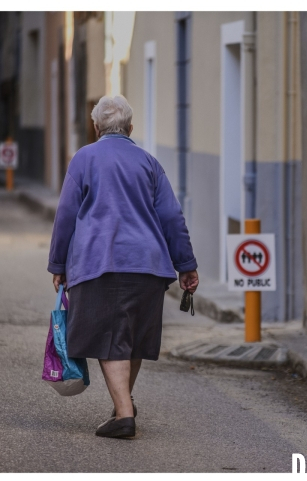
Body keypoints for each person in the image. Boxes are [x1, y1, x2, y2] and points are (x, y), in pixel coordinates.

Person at [47, 95, 199, 439]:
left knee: (108, 337)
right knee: (131, 338)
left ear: (96, 127)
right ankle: (122, 407)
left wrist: (58, 263)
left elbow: (66, 214)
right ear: (130, 128)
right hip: (148, 265)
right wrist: (186, 264)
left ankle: (124, 414)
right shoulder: (149, 163)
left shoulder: (84, 159)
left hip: (99, 263)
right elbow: (172, 217)